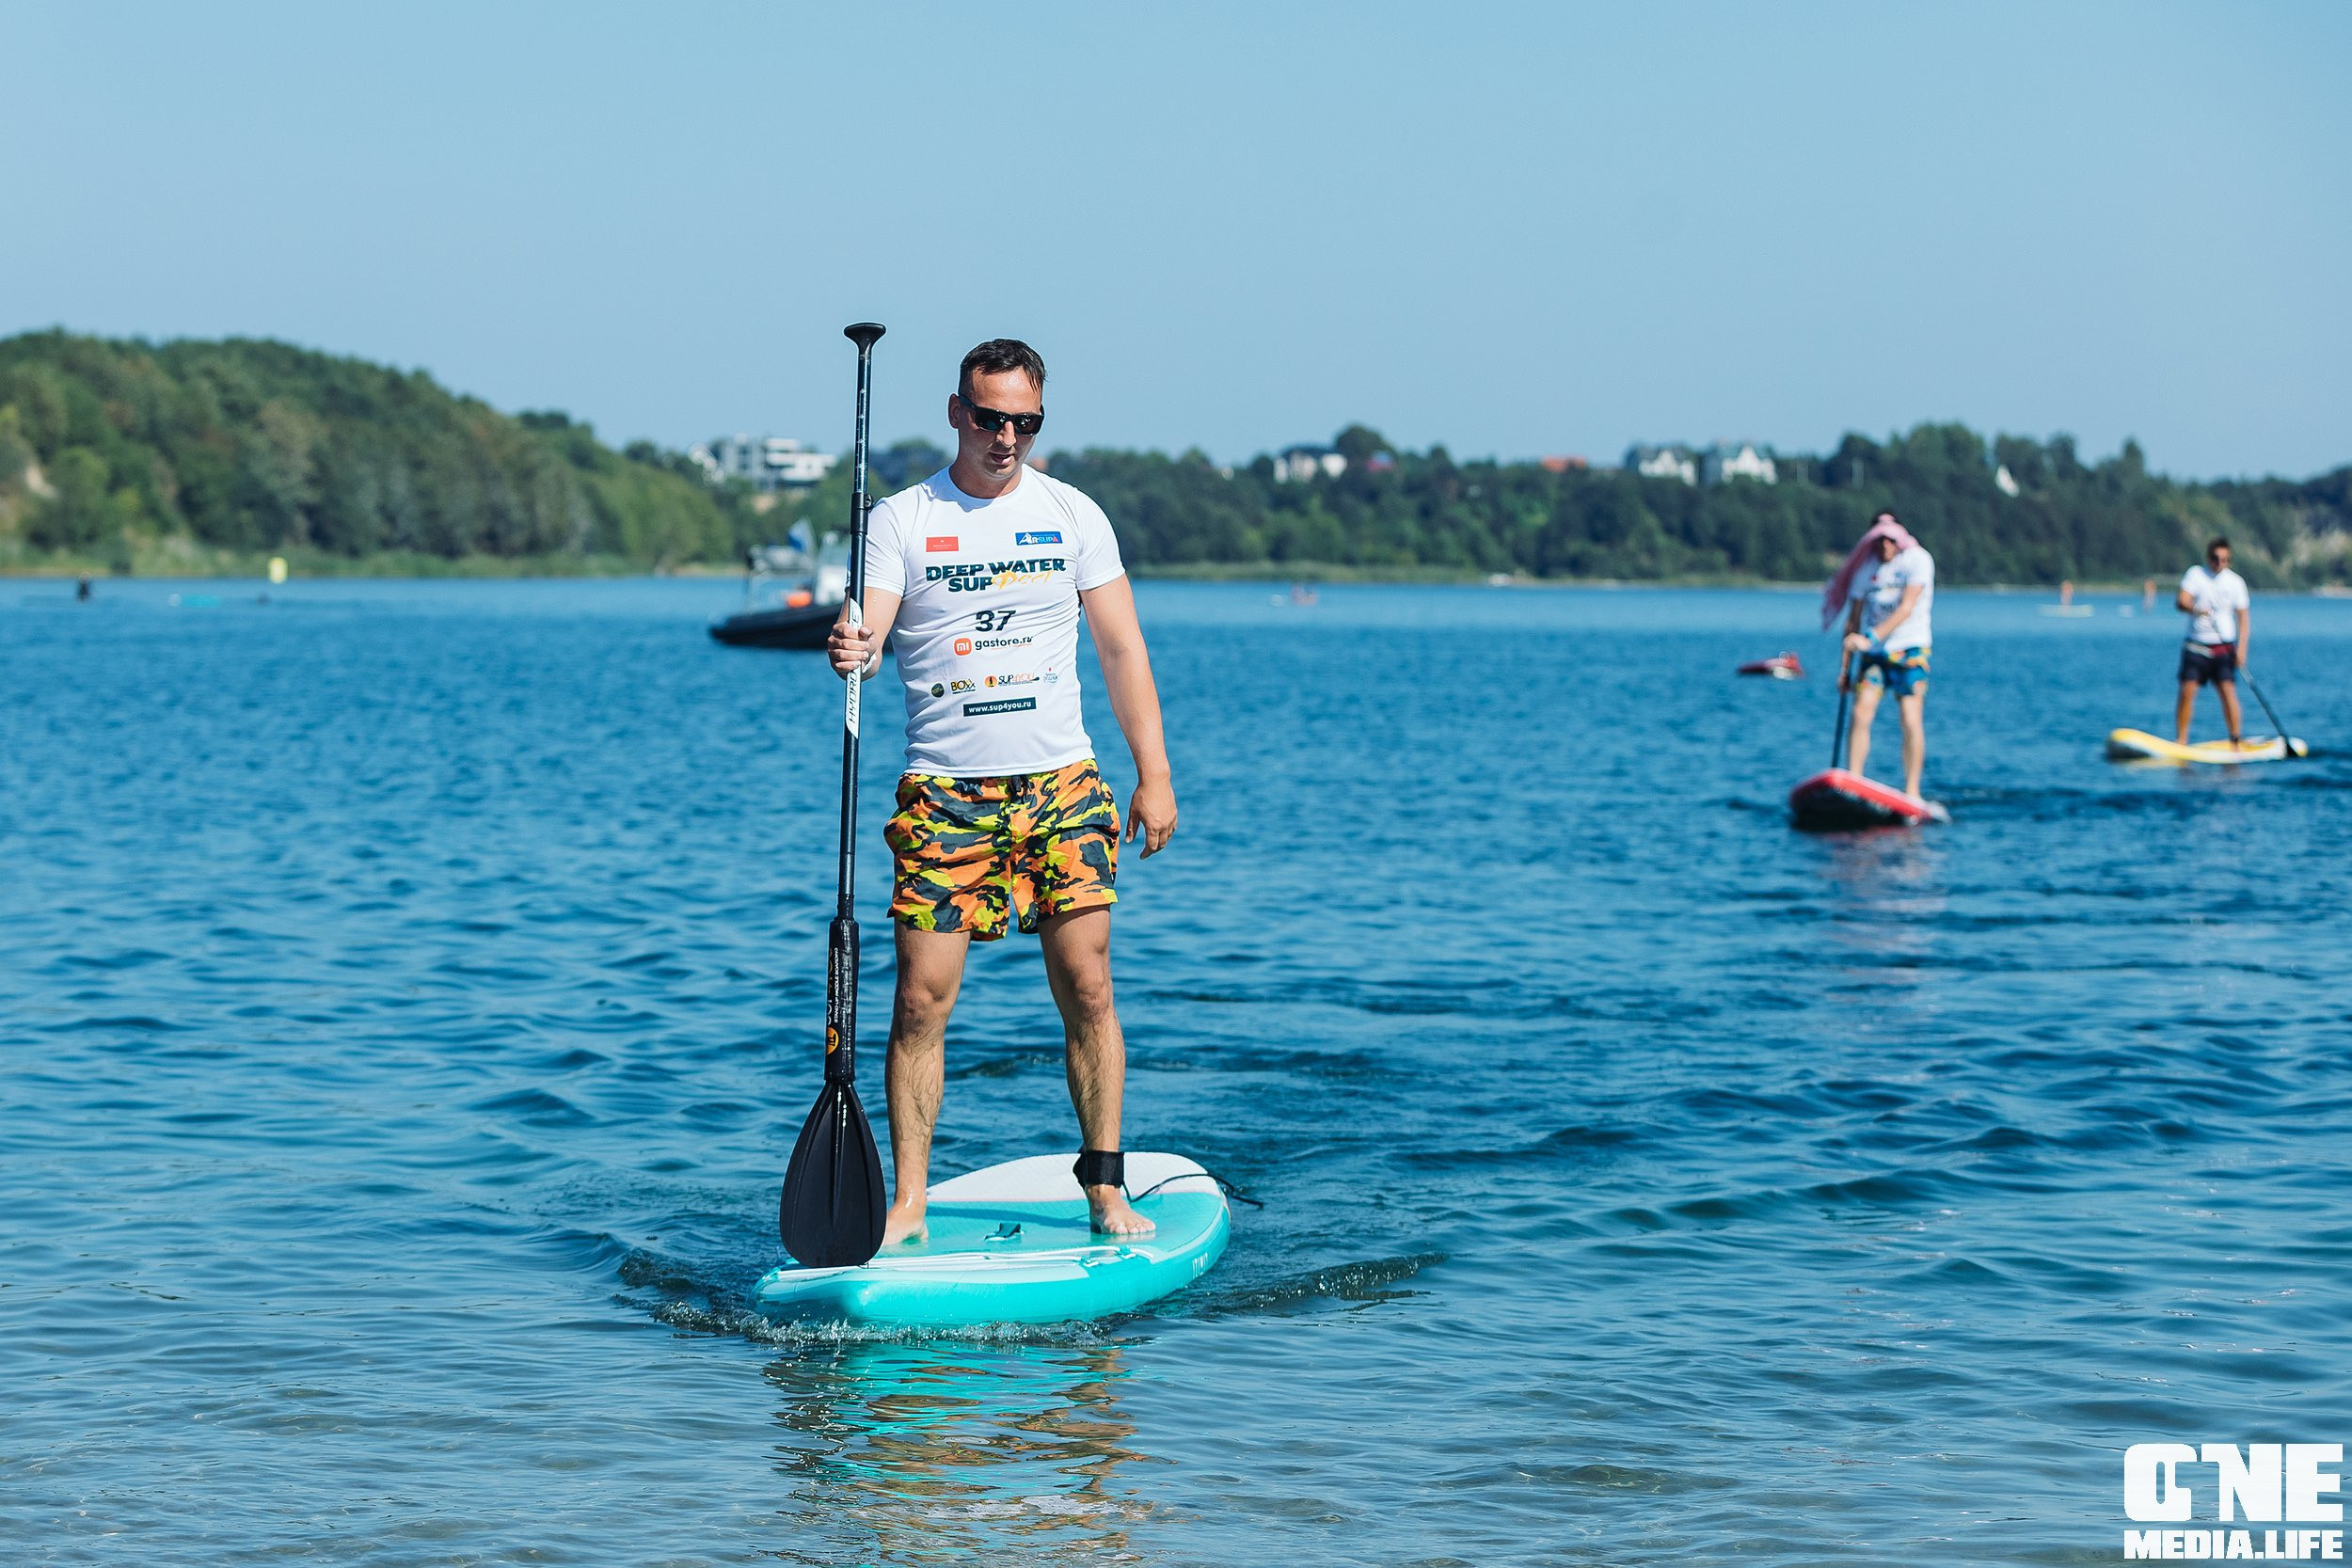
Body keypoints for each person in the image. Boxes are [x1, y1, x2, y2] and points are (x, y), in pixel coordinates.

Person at [827, 339, 1177, 1243]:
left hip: (1063, 786)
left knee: (1088, 987)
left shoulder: (1072, 513)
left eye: (1026, 422)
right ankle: (909, 1202)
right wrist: (855, 646)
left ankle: (1105, 1186)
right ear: (957, 412)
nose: (1006, 437)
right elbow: (871, 630)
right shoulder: (903, 519)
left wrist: (1155, 774)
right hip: (946, 795)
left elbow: (1122, 649)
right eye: (989, 418)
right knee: (919, 1000)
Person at [1821, 511, 1935, 802]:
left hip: (1909, 649)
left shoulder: (1917, 560)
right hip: (1873, 655)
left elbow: (1906, 608)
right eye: (1879, 539)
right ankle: (1854, 781)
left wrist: (1870, 638)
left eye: (1890, 539)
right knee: (1861, 713)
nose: (1885, 544)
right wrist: (1844, 670)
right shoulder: (1866, 568)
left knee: (1910, 717)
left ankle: (1912, 791)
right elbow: (1853, 622)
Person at [2174, 537, 2251, 746]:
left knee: (2227, 691)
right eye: (2216, 559)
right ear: (2209, 558)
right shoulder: (2196, 575)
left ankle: (2236, 738)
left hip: (2224, 647)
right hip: (2196, 645)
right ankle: (2181, 739)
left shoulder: (2235, 582)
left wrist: (2242, 650)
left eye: (2225, 560)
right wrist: (2195, 609)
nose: (2220, 563)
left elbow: (2243, 618)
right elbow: (2181, 601)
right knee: (2187, 691)